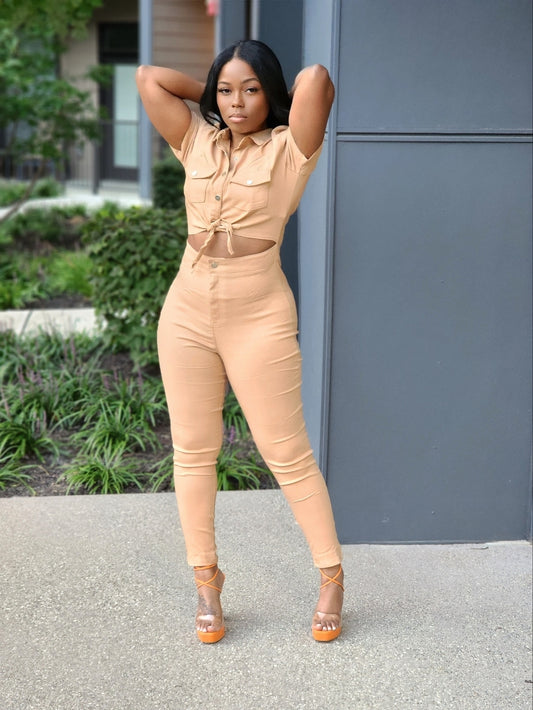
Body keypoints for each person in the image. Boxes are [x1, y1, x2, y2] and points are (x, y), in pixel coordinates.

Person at [136, 39, 344, 643]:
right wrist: (210, 93)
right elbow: (149, 78)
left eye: (250, 90)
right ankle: (207, 581)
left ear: (270, 93)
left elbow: (317, 79)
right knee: (192, 452)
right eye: (225, 91)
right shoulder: (197, 139)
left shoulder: (290, 147)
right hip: (186, 309)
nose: (235, 102)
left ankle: (331, 577)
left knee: (287, 454)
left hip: (259, 314)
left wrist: (268, 95)